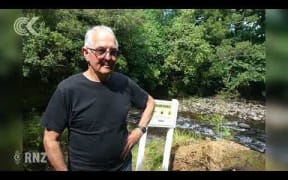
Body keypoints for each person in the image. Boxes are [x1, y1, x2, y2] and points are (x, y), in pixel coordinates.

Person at [41, 25, 155, 171]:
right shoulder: (68, 89)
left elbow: (150, 103)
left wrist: (139, 130)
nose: (108, 57)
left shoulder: (124, 83)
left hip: (122, 166)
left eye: (113, 52)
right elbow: (50, 139)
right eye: (100, 51)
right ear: (85, 53)